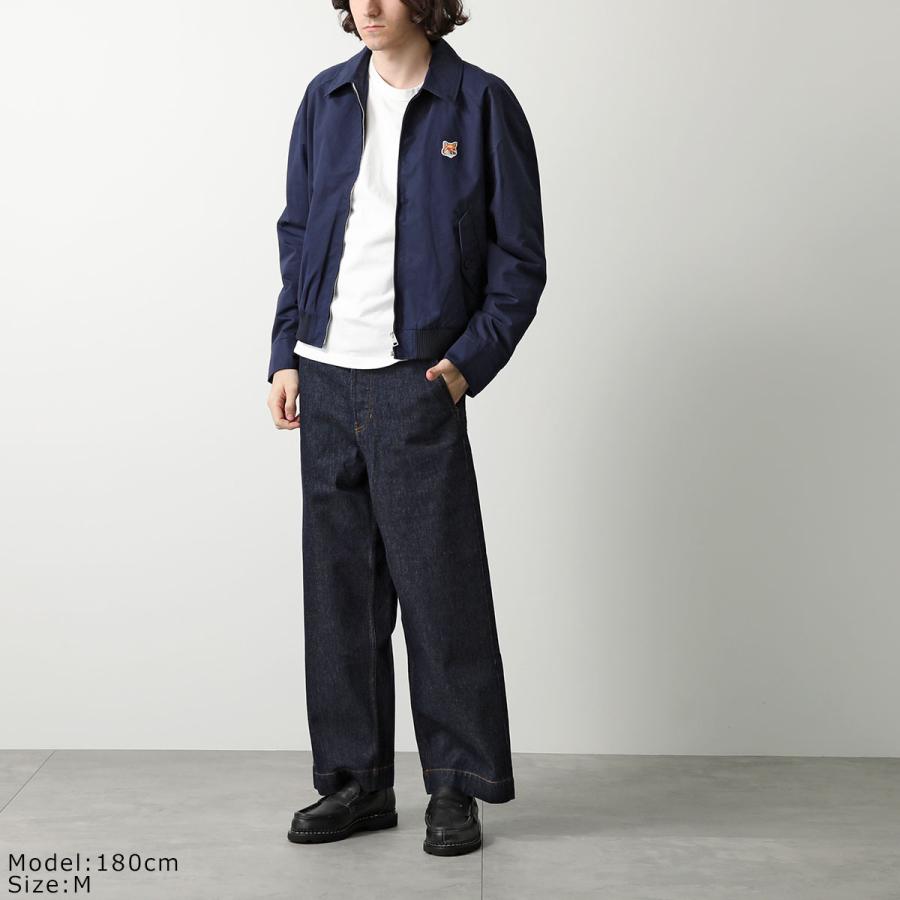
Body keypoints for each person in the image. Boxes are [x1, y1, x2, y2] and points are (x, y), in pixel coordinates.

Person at [266, 0, 546, 857]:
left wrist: (463, 366)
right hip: (324, 375)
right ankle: (354, 783)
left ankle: (455, 785)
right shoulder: (325, 98)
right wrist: (285, 352)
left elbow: (519, 260)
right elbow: (298, 233)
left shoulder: (481, 103)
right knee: (339, 597)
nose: (369, 4)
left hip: (417, 380)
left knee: (440, 592)